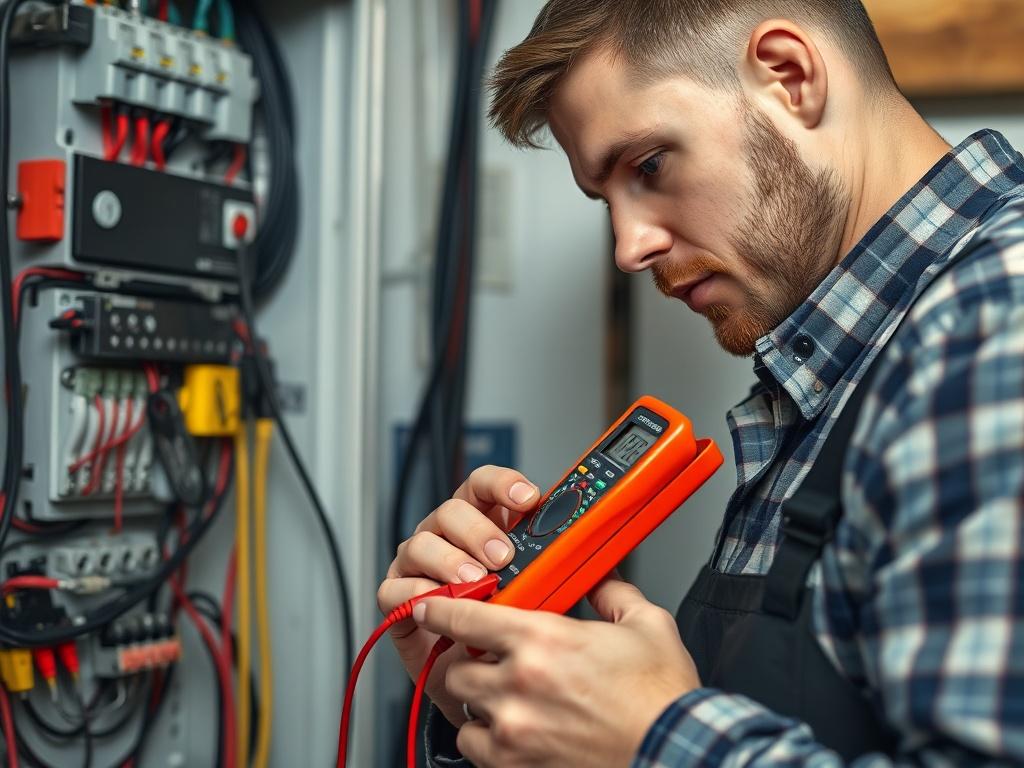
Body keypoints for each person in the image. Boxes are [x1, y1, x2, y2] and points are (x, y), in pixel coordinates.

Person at [377, 0, 1024, 765]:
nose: (628, 246)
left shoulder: (993, 321)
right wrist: (496, 700)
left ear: (790, 76)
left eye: (649, 166)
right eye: (606, 200)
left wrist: (654, 744)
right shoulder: (839, 367)